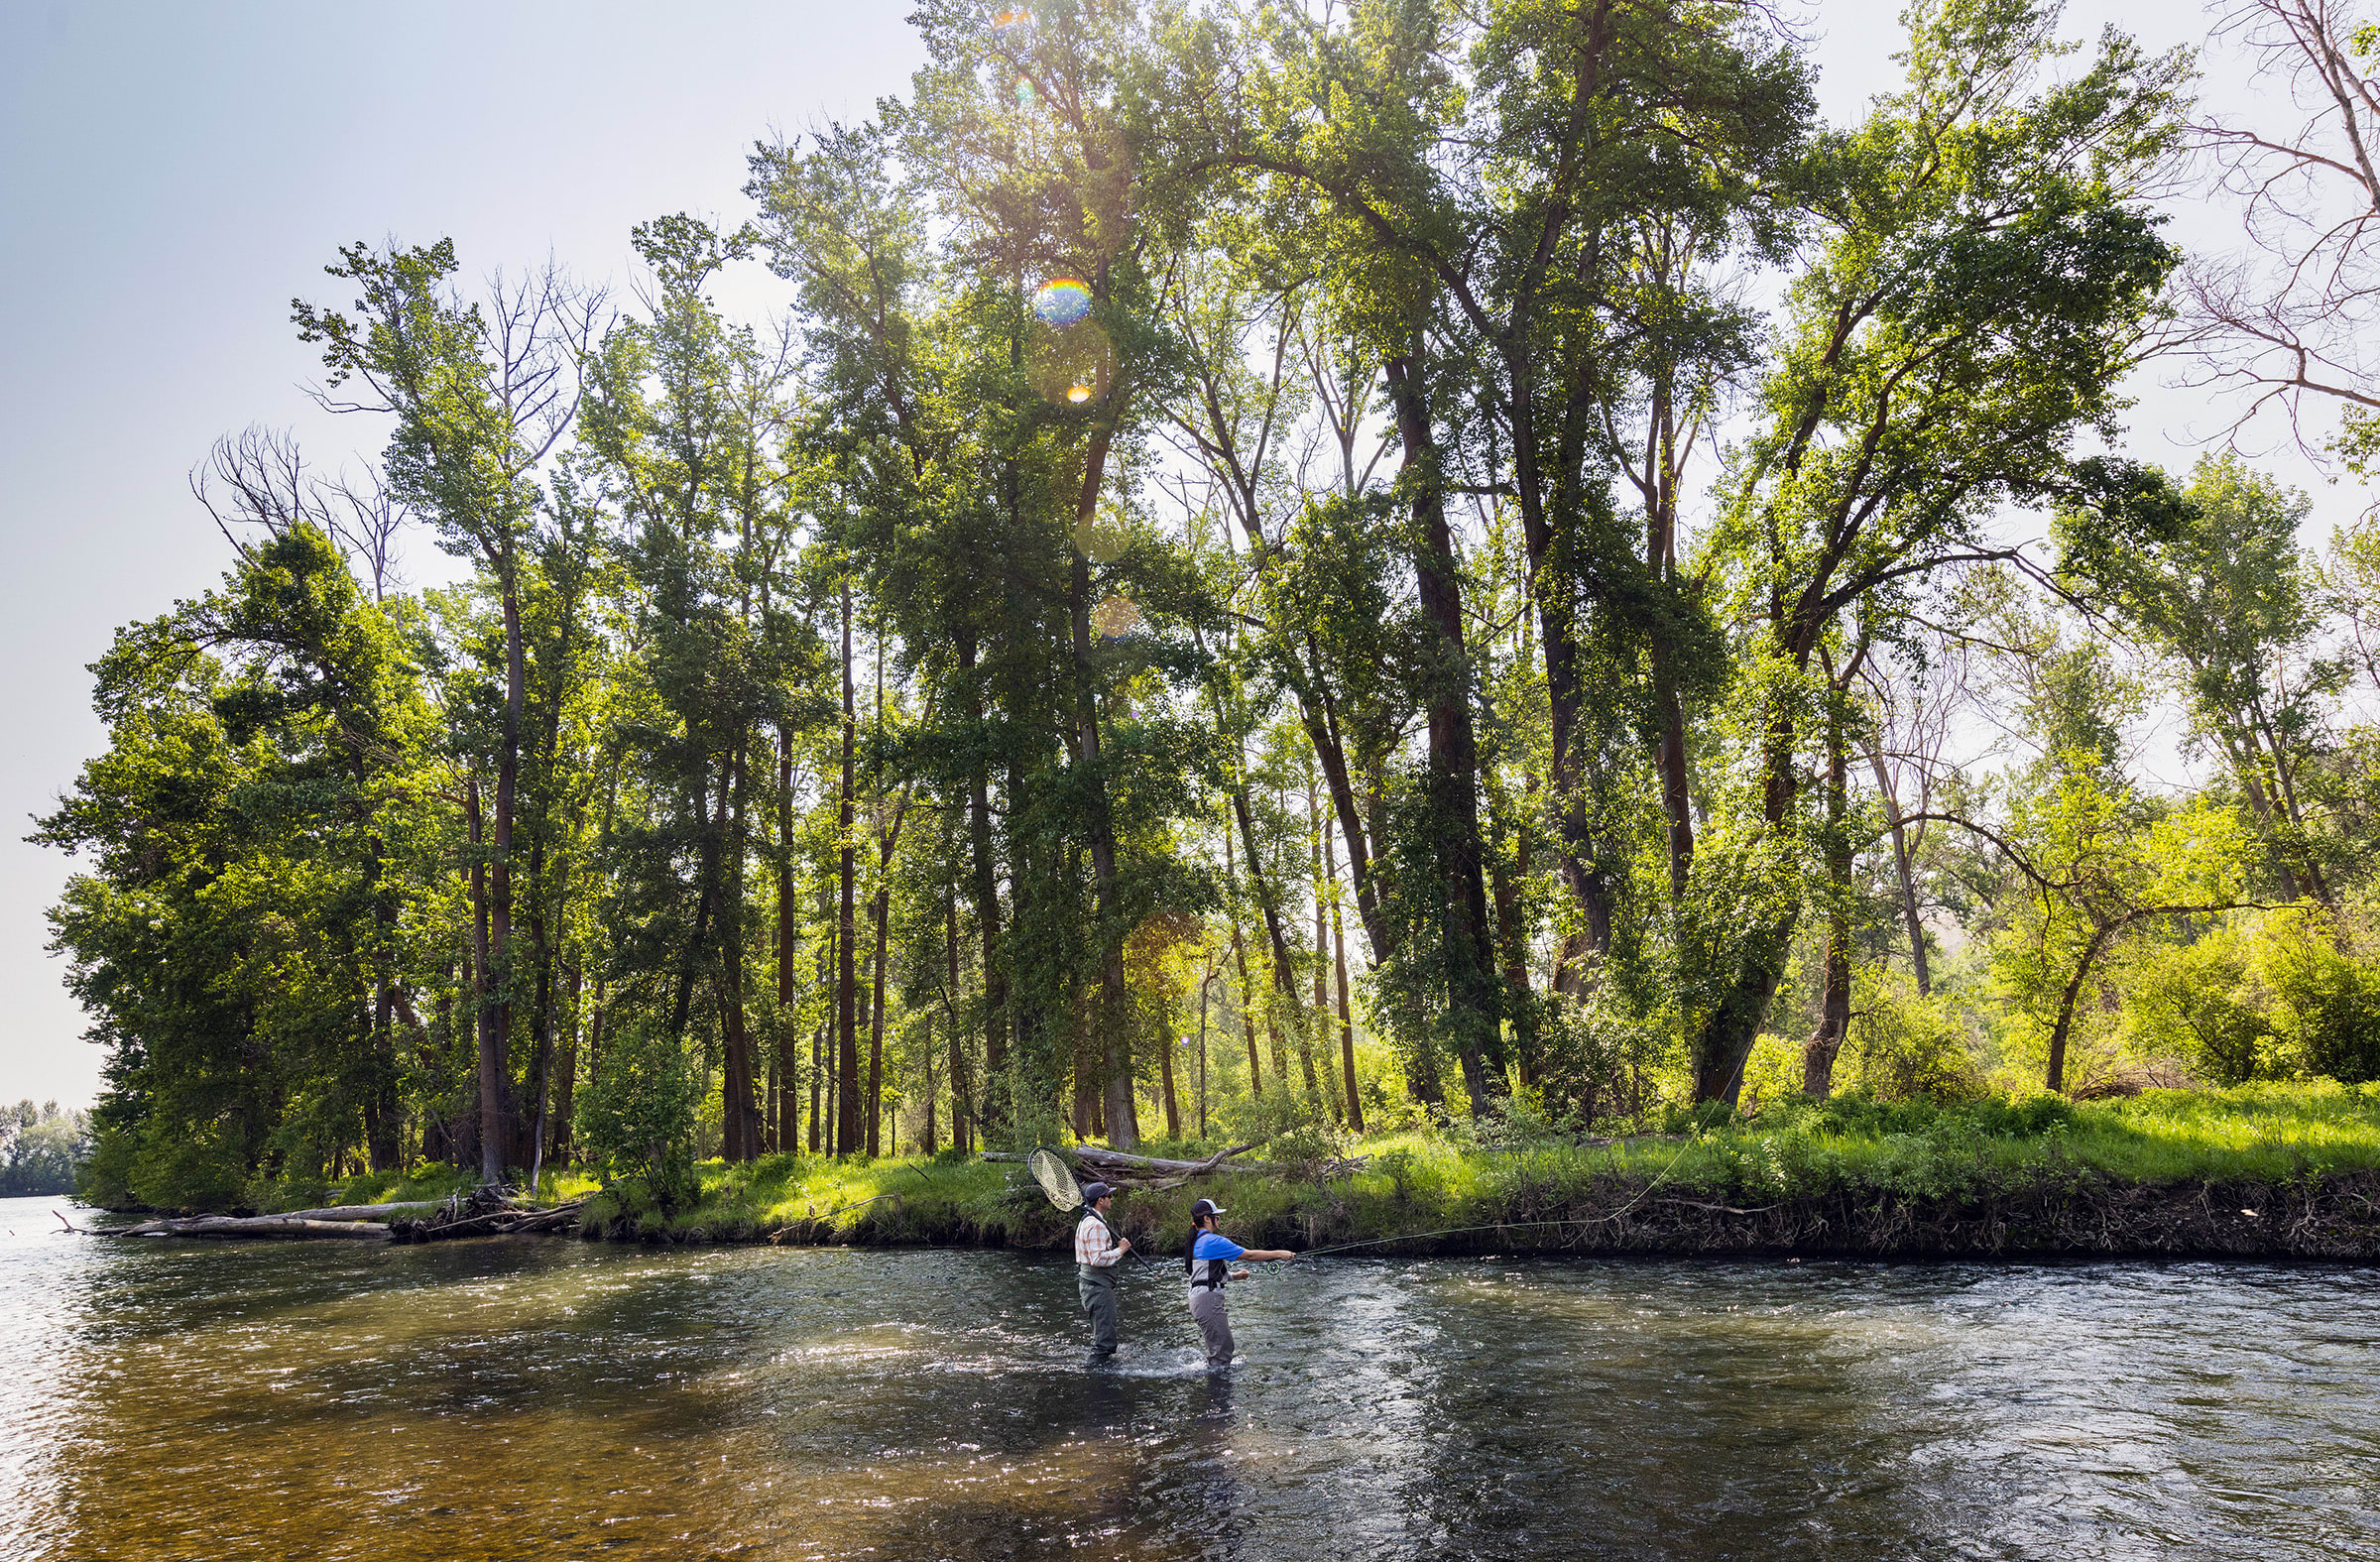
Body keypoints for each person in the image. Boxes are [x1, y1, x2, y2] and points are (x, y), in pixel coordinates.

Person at [1183, 1196, 1294, 1371]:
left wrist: (1234, 1276)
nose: (1218, 1219)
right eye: (1216, 1216)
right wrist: (1279, 1254)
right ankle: (1218, 1393)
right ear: (1206, 1218)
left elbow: (1205, 1272)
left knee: (1222, 1349)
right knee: (1222, 1352)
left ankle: (1216, 1383)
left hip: (1202, 1299)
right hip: (1207, 1300)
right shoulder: (1212, 1240)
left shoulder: (1199, 1240)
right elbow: (1249, 1255)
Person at [1074, 1180, 1130, 1357]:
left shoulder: (1087, 1220)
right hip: (1097, 1287)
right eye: (1109, 1196)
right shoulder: (1096, 1225)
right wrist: (1120, 1250)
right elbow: (1097, 1259)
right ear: (1100, 1200)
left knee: (1103, 1337)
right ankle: (1099, 1379)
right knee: (1105, 1344)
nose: (1111, 1200)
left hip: (1091, 1285)